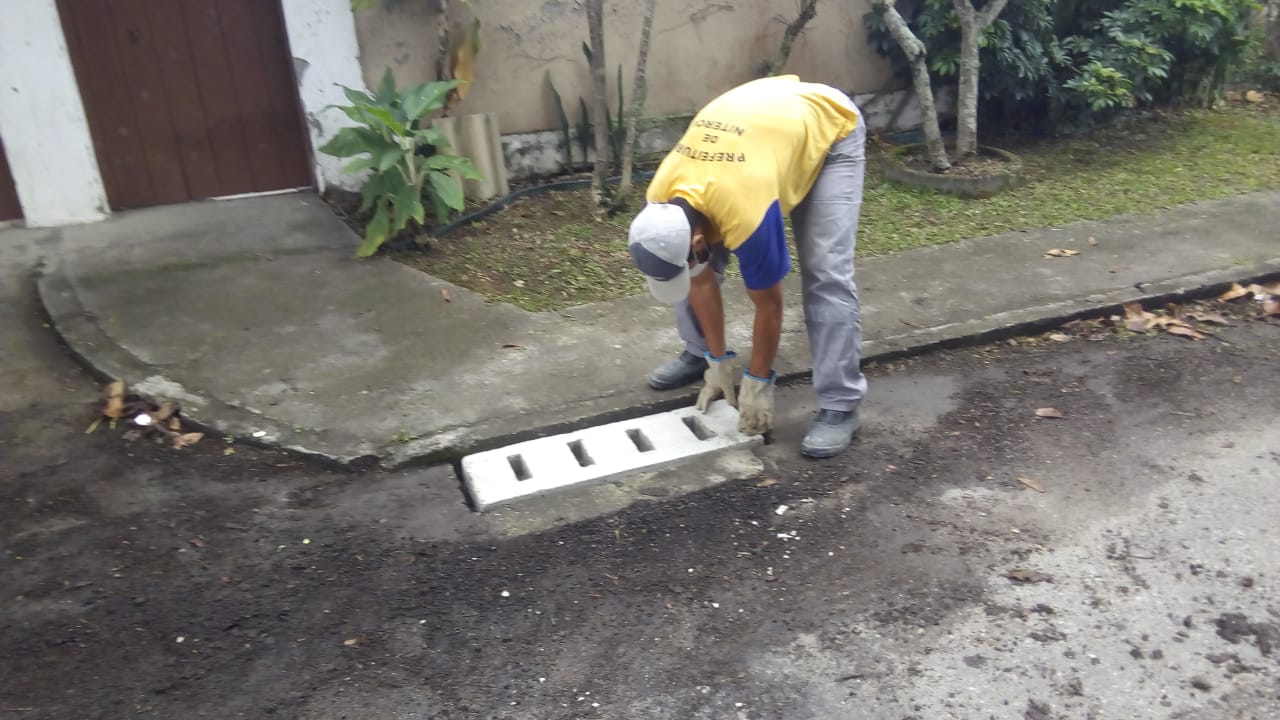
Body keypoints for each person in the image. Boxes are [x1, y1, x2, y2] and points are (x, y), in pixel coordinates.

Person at [627, 74, 868, 458]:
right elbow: (699, 280)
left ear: (698, 241)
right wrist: (718, 360)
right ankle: (700, 354)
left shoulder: (748, 211)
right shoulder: (661, 200)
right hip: (759, 127)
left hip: (828, 127)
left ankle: (841, 404)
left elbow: (769, 305)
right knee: (687, 269)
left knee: (825, 272)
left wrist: (757, 383)